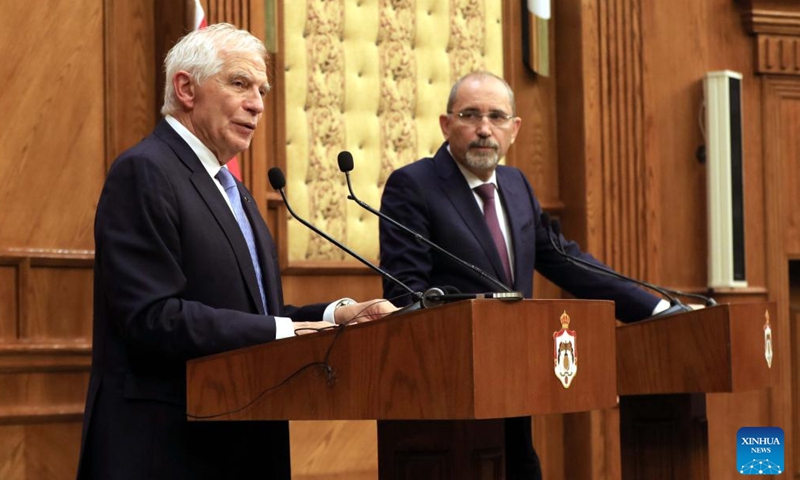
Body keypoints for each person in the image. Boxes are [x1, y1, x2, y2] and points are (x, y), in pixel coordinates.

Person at [76, 23, 396, 480]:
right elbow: (152, 317)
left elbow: (251, 311)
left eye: (262, 90)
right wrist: (285, 331)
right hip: (166, 447)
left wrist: (333, 316)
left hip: (240, 436)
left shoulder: (233, 189)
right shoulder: (145, 171)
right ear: (186, 88)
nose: (258, 104)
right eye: (240, 84)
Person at [378, 71, 668, 479]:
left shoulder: (515, 185)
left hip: (515, 390)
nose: (484, 129)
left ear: (514, 130)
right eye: (470, 115)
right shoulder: (413, 186)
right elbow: (407, 293)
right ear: (446, 125)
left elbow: (567, 262)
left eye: (497, 117)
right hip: (447, 400)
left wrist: (656, 308)